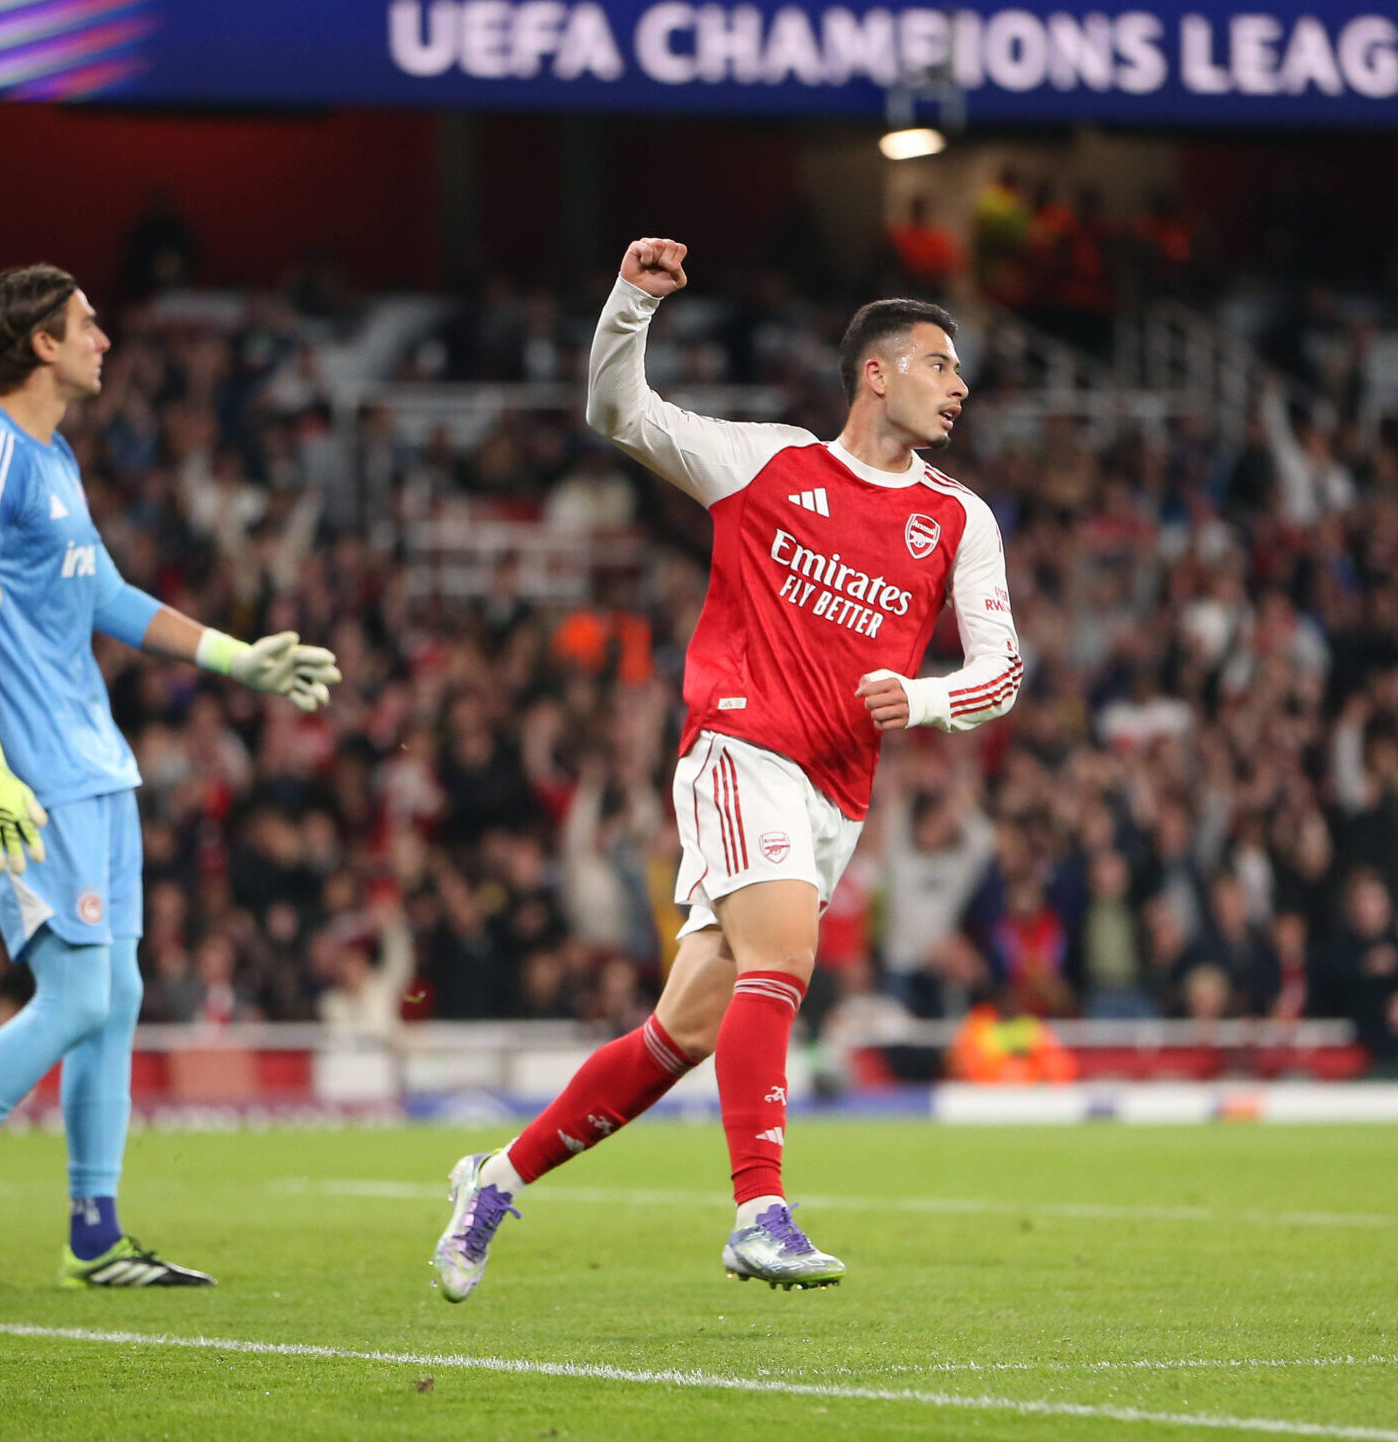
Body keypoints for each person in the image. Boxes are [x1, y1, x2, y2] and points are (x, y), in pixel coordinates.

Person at [432, 238, 1020, 1299]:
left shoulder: (958, 520)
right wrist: (627, 305)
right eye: (940, 362)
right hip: (741, 749)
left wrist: (926, 697)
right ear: (877, 371)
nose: (959, 385)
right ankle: (762, 1210)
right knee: (785, 959)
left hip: (836, 791)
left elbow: (1003, 671)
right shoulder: (766, 462)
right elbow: (621, 413)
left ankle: (495, 1177)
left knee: (682, 1031)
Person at [0, 264, 339, 1291]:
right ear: (40, 342)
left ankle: (95, 1232)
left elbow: (105, 593)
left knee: (113, 996)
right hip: (28, 775)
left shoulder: (54, 454)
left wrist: (232, 655)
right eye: (85, 323)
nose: (104, 338)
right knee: (77, 995)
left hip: (94, 763)